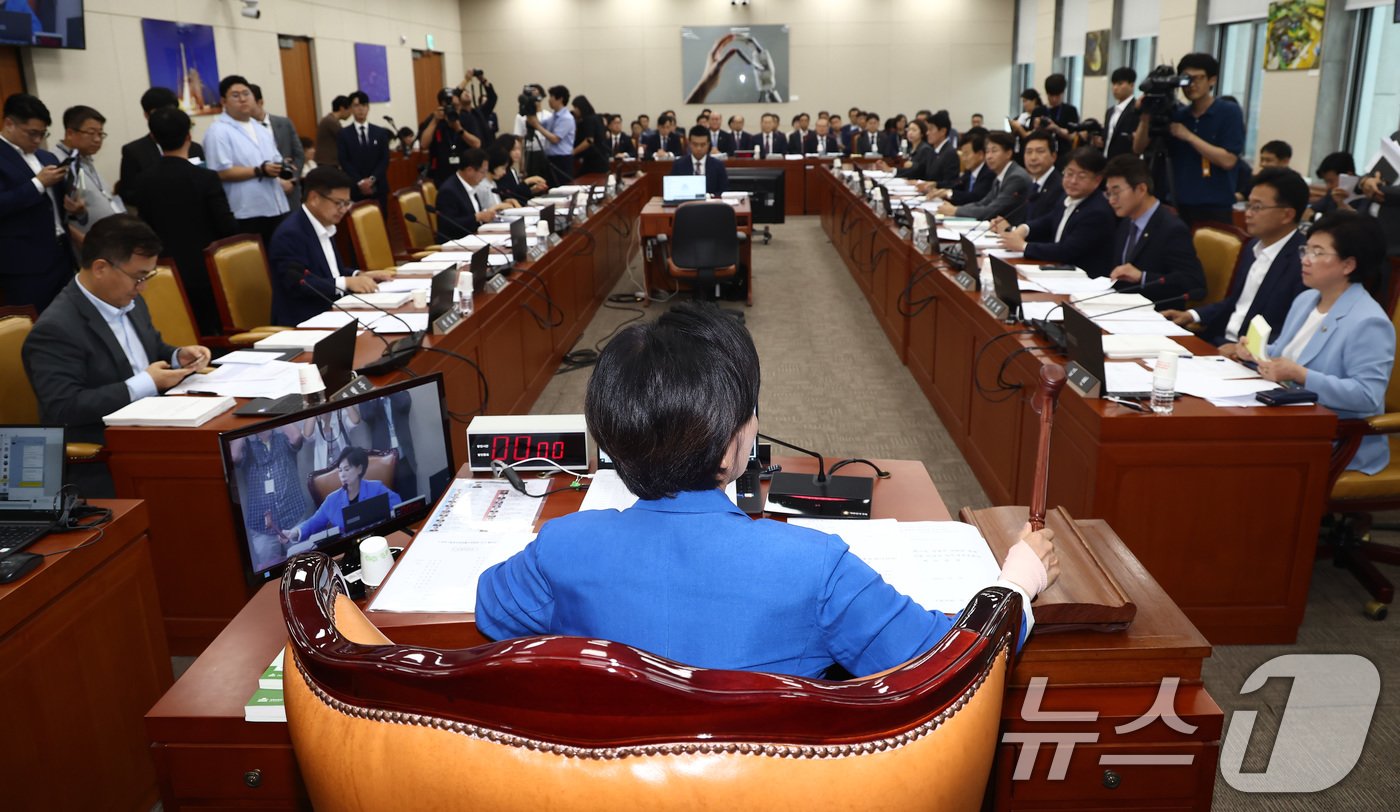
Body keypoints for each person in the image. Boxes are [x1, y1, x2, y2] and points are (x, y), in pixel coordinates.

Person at [475, 303, 1059, 679]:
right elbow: (953, 661)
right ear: (733, 448)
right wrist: (1018, 581)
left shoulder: (562, 547)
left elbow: (490, 608)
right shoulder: (815, 566)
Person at [21, 215, 211, 495]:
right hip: (104, 454)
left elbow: (152, 349)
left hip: (154, 427)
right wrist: (147, 383)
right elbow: (64, 407)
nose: (143, 287)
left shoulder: (130, 300)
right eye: (138, 277)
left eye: (147, 277)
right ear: (100, 268)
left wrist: (178, 356)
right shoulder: (55, 330)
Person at [1236, 212, 1394, 473]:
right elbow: (1287, 354)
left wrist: (1301, 375)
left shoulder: (1368, 321)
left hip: (1337, 440)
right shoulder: (1306, 300)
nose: (1306, 260)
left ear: (1348, 265)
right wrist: (1255, 352)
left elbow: (1367, 395)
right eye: (1305, 250)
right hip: (1289, 417)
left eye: (1318, 253)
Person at [1163, 167, 1309, 352]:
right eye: (1248, 205)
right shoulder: (1252, 247)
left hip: (1251, 357)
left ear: (1287, 215)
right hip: (1218, 342)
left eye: (1257, 207)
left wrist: (1244, 350)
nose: (1248, 213)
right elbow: (1237, 303)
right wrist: (1192, 315)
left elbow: (1294, 332)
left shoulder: (1303, 262)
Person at [122, 107, 237, 336]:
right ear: (189, 136)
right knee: (213, 331)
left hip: (164, 271)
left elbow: (145, 227)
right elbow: (226, 227)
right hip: (207, 272)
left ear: (154, 137)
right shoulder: (205, 178)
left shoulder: (144, 181)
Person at [1132, 53, 1244, 227]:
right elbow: (1138, 148)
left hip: (1214, 206)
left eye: (1198, 78)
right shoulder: (1177, 114)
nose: (1192, 85)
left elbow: (1228, 160)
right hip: (1177, 205)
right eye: (1186, 79)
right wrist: (1145, 115)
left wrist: (1189, 136)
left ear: (1212, 80)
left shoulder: (1228, 112)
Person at [267, 167, 386, 326]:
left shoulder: (322, 224)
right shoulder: (290, 233)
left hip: (333, 312)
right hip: (304, 322)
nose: (344, 210)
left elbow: (329, 272)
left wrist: (359, 275)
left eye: (347, 203)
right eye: (339, 203)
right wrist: (346, 283)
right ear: (314, 198)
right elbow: (299, 283)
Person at [0, 92, 79, 311]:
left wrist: (74, 207)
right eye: (32, 133)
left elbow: (55, 204)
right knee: (36, 328)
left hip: (61, 254)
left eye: (43, 134)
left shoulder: (47, 157)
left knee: (71, 321)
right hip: (24, 264)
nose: (37, 140)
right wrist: (38, 184)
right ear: (9, 124)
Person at [994, 147, 1116, 278]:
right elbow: (1049, 220)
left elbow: (1066, 250)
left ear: (1097, 180)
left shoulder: (1097, 211)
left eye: (1081, 176)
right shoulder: (1067, 197)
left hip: (1082, 280)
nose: (1073, 181)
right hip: (1057, 272)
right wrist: (1023, 229)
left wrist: (1024, 246)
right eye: (1069, 174)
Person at [1102, 154, 1206, 305]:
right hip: (1121, 306)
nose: (1111, 200)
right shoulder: (1126, 222)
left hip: (1156, 313)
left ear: (1141, 189)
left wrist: (1142, 277)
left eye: (1116, 192)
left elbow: (1193, 282)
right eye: (1108, 193)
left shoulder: (1172, 229)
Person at [202, 75, 291, 246]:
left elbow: (275, 160)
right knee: (255, 266)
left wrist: (281, 171)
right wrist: (259, 171)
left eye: (246, 93)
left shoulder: (260, 127)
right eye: (235, 95)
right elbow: (220, 172)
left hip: (276, 206)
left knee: (280, 259)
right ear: (223, 101)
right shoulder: (218, 131)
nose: (243, 99)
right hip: (247, 212)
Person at [228, 425, 310, 571]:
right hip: (262, 525)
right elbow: (233, 455)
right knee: (269, 574)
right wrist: (248, 422)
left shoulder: (283, 439)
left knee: (304, 569)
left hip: (293, 516)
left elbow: (297, 436)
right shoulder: (247, 447)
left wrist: (273, 415)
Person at [282, 446, 403, 545]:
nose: (342, 475)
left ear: (359, 469)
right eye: (340, 470)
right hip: (350, 547)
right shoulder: (332, 500)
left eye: (346, 469)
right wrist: (294, 532)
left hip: (379, 540)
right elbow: (313, 522)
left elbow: (398, 505)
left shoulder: (376, 488)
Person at [116, 87, 206, 196]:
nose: (166, 117)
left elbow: (203, 182)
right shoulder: (134, 151)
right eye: (159, 113)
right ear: (146, 115)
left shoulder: (195, 148)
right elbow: (128, 193)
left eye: (171, 111)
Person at [55, 105, 124, 242]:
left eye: (100, 134)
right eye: (91, 133)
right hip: (88, 243)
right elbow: (58, 215)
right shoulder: (57, 163)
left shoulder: (84, 159)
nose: (98, 139)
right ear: (70, 133)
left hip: (111, 239)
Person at [935, 132, 1030, 220]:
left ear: (1008, 153)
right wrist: (955, 209)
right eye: (987, 151)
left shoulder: (1016, 178)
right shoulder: (1001, 175)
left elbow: (991, 210)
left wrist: (955, 211)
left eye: (994, 151)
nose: (989, 156)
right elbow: (983, 203)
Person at [248, 85, 305, 212]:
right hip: (263, 192)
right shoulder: (244, 132)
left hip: (290, 190)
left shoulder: (284, 123)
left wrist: (292, 180)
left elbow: (299, 155)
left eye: (249, 104)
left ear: (260, 102)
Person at [436, 148, 511, 241]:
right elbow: (449, 225)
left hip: (475, 238)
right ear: (469, 170)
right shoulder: (449, 191)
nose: (484, 176)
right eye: (483, 172)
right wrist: (477, 217)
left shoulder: (470, 185)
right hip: (457, 243)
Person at [336, 91, 390, 210]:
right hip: (355, 189)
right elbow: (344, 161)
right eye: (356, 105)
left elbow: (384, 159)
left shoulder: (380, 132)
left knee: (381, 223)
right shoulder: (343, 134)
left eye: (364, 105)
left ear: (368, 108)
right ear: (350, 108)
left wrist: (371, 179)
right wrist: (360, 182)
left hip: (378, 186)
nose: (361, 109)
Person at [359, 389, 417, 499]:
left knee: (411, 500)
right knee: (389, 504)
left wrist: (388, 390)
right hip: (383, 462)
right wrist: (376, 394)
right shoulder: (366, 394)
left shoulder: (399, 390)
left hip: (405, 458)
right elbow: (366, 415)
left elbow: (405, 403)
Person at [930, 133, 995, 206]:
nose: (963, 158)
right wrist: (939, 189)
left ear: (980, 155)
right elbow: (956, 184)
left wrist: (949, 193)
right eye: (962, 154)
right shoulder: (969, 172)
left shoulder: (989, 172)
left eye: (966, 154)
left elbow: (975, 197)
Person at [528, 85, 575, 183]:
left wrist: (537, 126)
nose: (549, 100)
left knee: (561, 187)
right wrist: (531, 108)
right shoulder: (553, 116)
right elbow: (537, 123)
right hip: (551, 158)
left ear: (560, 99)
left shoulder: (566, 118)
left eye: (551, 97)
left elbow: (555, 139)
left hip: (562, 160)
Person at [669, 125, 728, 196]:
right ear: (689, 144)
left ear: (708, 144)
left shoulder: (718, 165)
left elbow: (724, 192)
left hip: (711, 205)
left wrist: (710, 196)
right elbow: (672, 191)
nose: (699, 148)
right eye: (695, 144)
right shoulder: (679, 165)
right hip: (686, 205)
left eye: (703, 145)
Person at [1020, 130, 1062, 224]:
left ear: (1053, 156)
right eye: (1029, 152)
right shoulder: (1033, 185)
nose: (1033, 157)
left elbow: (1048, 225)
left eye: (1040, 151)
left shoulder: (1059, 186)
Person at [1035, 74, 1080, 160]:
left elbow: (1073, 137)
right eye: (1051, 96)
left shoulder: (1070, 110)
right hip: (1042, 155)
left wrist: (1057, 129)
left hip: (1064, 155)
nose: (1054, 99)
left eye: (1058, 96)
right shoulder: (1038, 111)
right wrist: (1036, 128)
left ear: (1063, 93)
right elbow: (1030, 137)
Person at [491, 133, 546, 202]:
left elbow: (516, 193)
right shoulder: (500, 172)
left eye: (520, 149)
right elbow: (508, 195)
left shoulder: (512, 170)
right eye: (514, 149)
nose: (518, 153)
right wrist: (528, 181)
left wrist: (532, 190)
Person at [1101, 67, 1140, 158]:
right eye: (1113, 84)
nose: (1115, 88)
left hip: (1126, 162)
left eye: (1120, 84)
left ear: (1132, 85)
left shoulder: (1137, 110)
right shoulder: (1110, 111)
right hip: (1107, 160)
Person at [1305, 151, 1356, 220]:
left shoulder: (1364, 198)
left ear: (1348, 176)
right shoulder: (1331, 193)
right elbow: (1308, 212)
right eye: (1326, 182)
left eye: (1331, 181)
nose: (1328, 186)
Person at [569, 94, 608, 175]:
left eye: (575, 108)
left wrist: (573, 152)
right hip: (602, 158)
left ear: (581, 108)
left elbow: (589, 140)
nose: (575, 111)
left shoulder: (588, 120)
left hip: (592, 160)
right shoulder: (598, 118)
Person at [315, 95, 351, 170]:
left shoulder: (329, 120)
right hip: (328, 163)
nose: (351, 114)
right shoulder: (331, 122)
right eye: (349, 110)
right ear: (342, 108)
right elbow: (345, 138)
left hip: (326, 162)